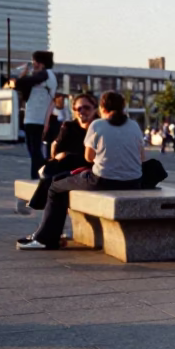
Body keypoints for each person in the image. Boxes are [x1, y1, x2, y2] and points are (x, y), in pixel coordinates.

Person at [18, 91, 144, 251]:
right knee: (63, 179)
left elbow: (89, 158)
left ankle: (46, 238)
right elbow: (142, 156)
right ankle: (50, 232)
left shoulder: (97, 125)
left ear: (101, 107)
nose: (81, 112)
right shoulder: (134, 125)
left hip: (103, 179)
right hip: (134, 182)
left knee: (56, 186)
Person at [26, 92, 99, 211]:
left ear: (95, 109)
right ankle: (39, 204)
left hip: (91, 167)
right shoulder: (69, 126)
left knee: (61, 169)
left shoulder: (100, 126)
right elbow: (57, 148)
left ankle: (39, 204)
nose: (82, 111)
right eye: (78, 108)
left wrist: (66, 155)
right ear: (74, 111)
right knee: (54, 167)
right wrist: (60, 155)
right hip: (70, 166)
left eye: (86, 107)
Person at [15, 50, 57, 180]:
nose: (34, 64)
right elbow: (21, 87)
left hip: (39, 120)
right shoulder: (37, 78)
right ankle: (41, 176)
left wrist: (24, 78)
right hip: (30, 119)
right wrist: (22, 77)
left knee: (36, 151)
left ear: (43, 63)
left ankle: (39, 177)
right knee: (33, 152)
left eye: (36, 62)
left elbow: (27, 81)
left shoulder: (47, 74)